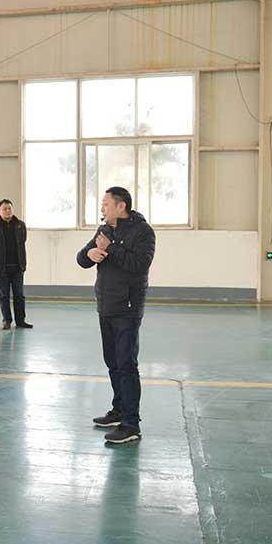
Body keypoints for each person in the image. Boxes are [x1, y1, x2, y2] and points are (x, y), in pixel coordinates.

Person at [77, 187, 155, 445]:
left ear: (121, 206)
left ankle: (131, 424)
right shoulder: (105, 230)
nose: (102, 208)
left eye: (105, 204)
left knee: (126, 364)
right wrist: (89, 254)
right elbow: (81, 258)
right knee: (112, 362)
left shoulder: (143, 232)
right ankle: (119, 411)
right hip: (106, 305)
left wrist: (111, 248)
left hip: (128, 308)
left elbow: (139, 265)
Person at [0, 199, 33, 330]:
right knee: (4, 296)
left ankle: (20, 320)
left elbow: (22, 242)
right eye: (4, 209)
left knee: (19, 295)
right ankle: (6, 320)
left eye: (9, 208)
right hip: (1, 268)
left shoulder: (20, 225)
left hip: (18, 266)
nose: (7, 211)